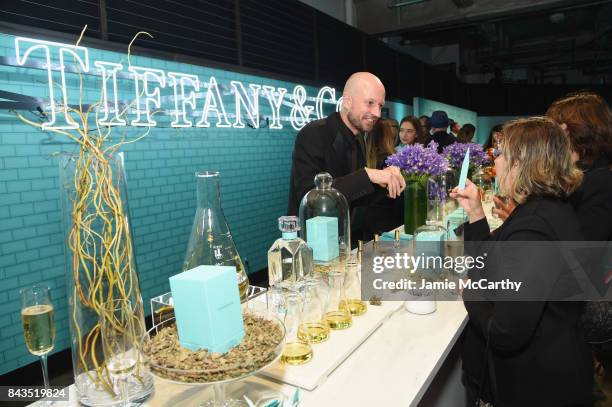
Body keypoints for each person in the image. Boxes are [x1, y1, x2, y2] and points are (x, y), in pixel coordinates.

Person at [451, 117, 592, 406]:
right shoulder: (546, 209)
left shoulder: (533, 228)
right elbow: (494, 264)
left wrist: (470, 294)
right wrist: (476, 214)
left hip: (536, 386)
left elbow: (506, 330)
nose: (495, 161)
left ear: (519, 164)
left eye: (500, 153)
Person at [287, 72, 405, 220]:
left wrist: (385, 183)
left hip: (344, 237)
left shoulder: (358, 138)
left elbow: (354, 197)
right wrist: (368, 175)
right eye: (370, 103)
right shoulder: (313, 133)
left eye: (380, 106)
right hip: (313, 238)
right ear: (347, 101)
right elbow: (311, 198)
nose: (377, 113)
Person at [362, 119, 403, 240]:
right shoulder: (391, 161)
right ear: (388, 136)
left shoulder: (363, 159)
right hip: (389, 221)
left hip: (368, 219)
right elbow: (395, 195)